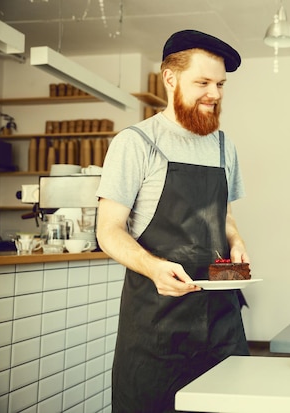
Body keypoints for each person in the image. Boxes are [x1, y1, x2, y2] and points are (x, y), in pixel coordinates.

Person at [96, 30, 250, 413]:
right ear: (170, 78)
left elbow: (225, 216)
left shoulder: (222, 145)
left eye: (219, 84)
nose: (214, 94)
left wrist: (236, 241)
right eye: (202, 82)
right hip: (156, 328)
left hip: (221, 321)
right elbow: (108, 231)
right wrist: (155, 267)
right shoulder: (135, 143)